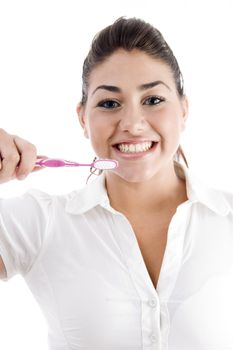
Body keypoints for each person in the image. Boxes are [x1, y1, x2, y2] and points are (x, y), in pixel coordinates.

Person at [0, 16, 233, 350]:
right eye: (109, 103)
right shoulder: (41, 223)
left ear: (183, 109)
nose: (133, 124)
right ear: (83, 118)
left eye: (153, 100)